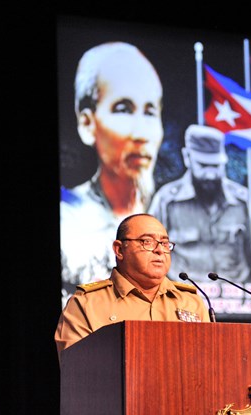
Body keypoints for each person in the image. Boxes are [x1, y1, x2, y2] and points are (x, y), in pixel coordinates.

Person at [60, 42, 165, 304]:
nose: (142, 133)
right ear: (87, 123)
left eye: (150, 111)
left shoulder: (171, 209)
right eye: (123, 109)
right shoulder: (67, 217)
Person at [55, 213, 210, 357]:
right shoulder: (86, 304)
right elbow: (77, 372)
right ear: (119, 249)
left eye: (164, 243)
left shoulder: (191, 302)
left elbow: (208, 361)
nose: (159, 250)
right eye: (147, 242)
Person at [147, 124, 251, 282]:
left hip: (234, 294)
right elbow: (148, 252)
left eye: (216, 166)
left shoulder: (242, 200)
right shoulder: (166, 201)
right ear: (187, 158)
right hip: (184, 293)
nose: (210, 175)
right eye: (203, 165)